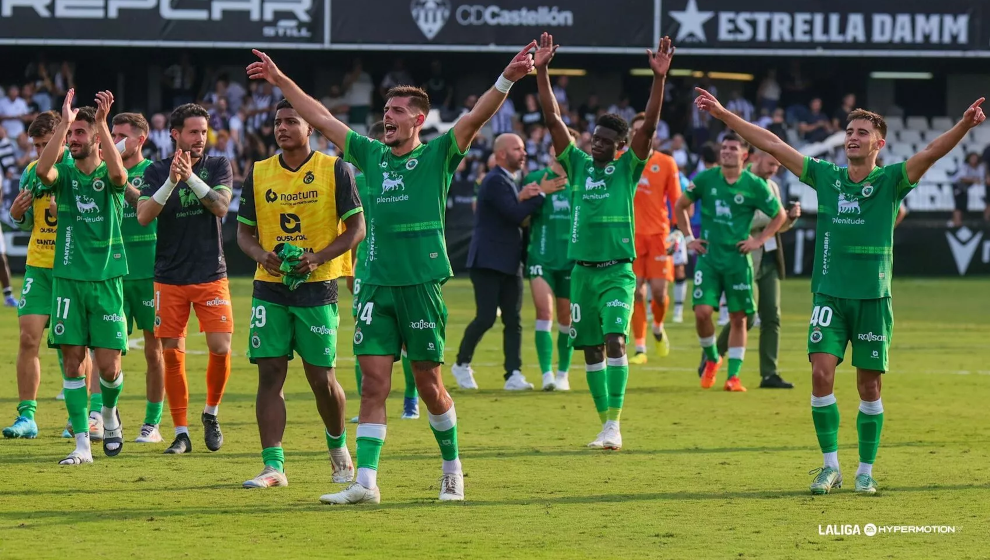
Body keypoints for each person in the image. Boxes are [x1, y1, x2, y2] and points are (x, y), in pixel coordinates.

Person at [247, 42, 535, 504]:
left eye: (397, 110)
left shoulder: (440, 154)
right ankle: (365, 482)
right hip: (374, 285)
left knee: (429, 385)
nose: (388, 116)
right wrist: (279, 80)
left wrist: (507, 78)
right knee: (375, 384)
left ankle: (452, 469)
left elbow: (476, 118)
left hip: (420, 285)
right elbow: (320, 118)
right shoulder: (370, 155)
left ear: (418, 119)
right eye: (385, 109)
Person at [694, 88, 986, 494]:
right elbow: (774, 144)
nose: (852, 136)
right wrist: (725, 114)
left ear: (878, 143)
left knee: (869, 386)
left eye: (862, 132)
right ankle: (830, 466)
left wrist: (965, 125)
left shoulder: (891, 181)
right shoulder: (826, 177)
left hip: (872, 299)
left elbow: (933, 152)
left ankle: (866, 469)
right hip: (829, 296)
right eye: (850, 130)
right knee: (820, 373)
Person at [537, 32, 673, 450]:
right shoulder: (576, 166)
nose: (594, 143)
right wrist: (541, 71)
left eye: (603, 141)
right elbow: (553, 118)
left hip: (617, 271)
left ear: (619, 148)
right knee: (591, 351)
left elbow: (648, 125)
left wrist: (659, 80)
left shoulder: (628, 168)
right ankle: (604, 425)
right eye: (593, 137)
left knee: (616, 341)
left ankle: (615, 423)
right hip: (581, 274)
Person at [236, 99, 364, 489]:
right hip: (270, 287)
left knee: (320, 378)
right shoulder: (259, 173)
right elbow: (243, 233)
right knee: (269, 373)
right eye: (278, 122)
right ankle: (273, 465)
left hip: (318, 286)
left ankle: (338, 447)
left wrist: (318, 257)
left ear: (310, 127)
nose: (283, 127)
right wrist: (262, 255)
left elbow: (356, 228)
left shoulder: (334, 169)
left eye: (292, 121)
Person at [34, 90, 129, 464]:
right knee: (73, 362)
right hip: (68, 281)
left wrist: (104, 123)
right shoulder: (65, 175)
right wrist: (63, 121)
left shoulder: (110, 175)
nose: (73, 140)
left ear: (95, 138)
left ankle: (108, 416)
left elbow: (120, 174)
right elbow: (43, 171)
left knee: (109, 367)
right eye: (69, 134)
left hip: (106, 281)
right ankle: (81, 445)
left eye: (78, 133)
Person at [136, 103, 234, 455]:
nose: (200, 138)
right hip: (170, 277)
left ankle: (211, 413)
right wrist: (171, 182)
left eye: (203, 132)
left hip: (210, 273)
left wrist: (190, 177)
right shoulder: (156, 171)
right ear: (174, 134)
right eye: (193, 132)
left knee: (221, 348)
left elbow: (221, 207)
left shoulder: (218, 165)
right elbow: (144, 215)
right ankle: (180, 432)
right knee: (172, 355)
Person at [673, 133, 785, 393]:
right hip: (709, 257)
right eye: (724, 147)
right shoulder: (706, 178)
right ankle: (712, 357)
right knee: (701, 312)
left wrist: (759, 241)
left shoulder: (754, 185)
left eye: (733, 148)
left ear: (744, 155)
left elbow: (778, 215)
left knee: (738, 318)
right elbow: (680, 205)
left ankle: (733, 377)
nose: (726, 152)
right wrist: (689, 238)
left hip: (737, 259)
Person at [452, 133, 563, 391]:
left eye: (524, 148)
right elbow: (513, 215)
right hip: (488, 261)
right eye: (517, 149)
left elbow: (512, 210)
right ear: (501, 154)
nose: (523, 153)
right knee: (487, 317)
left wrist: (524, 197)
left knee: (513, 319)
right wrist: (541, 195)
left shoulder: (510, 180)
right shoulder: (494, 180)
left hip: (510, 261)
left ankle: (513, 373)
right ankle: (461, 364)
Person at [4, 111, 91, 439]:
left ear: (64, 136)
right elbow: (26, 221)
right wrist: (16, 215)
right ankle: (27, 417)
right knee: (28, 338)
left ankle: (79, 417)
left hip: (72, 269)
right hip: (38, 267)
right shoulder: (31, 172)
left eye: (46, 143)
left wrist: (66, 212)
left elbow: (95, 220)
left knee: (73, 347)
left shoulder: (79, 168)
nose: (42, 150)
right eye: (37, 144)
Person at [705, 149, 801, 389]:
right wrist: (775, 217)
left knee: (772, 317)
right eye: (771, 163)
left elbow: (778, 226)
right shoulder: (741, 182)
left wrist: (790, 218)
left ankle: (770, 373)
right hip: (742, 258)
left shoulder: (773, 186)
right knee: (746, 316)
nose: (774, 169)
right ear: (756, 158)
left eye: (777, 166)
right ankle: (712, 356)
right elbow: (743, 219)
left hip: (768, 258)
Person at [349, 122, 420, 421]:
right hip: (366, 268)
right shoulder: (358, 183)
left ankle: (410, 401)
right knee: (364, 337)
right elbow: (352, 228)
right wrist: (351, 268)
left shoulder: (409, 175)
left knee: (404, 339)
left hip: (397, 270)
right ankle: (373, 405)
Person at [111, 113, 166, 443]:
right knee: (107, 349)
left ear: (140, 139)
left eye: (121, 135)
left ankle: (152, 422)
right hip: (113, 272)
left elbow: (147, 211)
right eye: (112, 134)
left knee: (153, 350)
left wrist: (119, 178)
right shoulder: (100, 172)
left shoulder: (156, 173)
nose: (115, 140)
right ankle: (102, 415)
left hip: (149, 272)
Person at [523, 131, 577, 391]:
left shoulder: (580, 181)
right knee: (545, 312)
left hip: (570, 261)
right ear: (551, 150)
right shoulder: (535, 178)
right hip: (541, 258)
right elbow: (522, 218)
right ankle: (546, 374)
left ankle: (563, 373)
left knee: (566, 318)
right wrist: (524, 198)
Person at [628, 113, 681, 364]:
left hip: (659, 236)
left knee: (659, 294)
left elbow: (678, 202)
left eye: (646, 131)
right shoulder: (621, 161)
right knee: (636, 292)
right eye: (636, 131)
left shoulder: (667, 163)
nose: (642, 136)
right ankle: (640, 348)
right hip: (630, 237)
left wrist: (677, 231)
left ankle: (658, 328)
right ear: (629, 136)